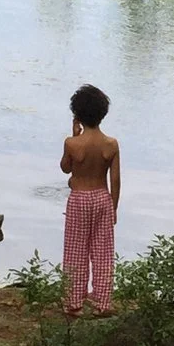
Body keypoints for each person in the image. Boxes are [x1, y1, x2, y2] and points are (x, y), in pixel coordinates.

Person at [59, 83, 121, 318]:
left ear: (77, 116)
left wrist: (74, 136)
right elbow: (115, 179)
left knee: (76, 250)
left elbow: (66, 168)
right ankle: (102, 302)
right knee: (103, 251)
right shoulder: (111, 144)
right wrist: (113, 207)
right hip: (102, 197)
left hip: (79, 199)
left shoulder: (72, 143)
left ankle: (74, 302)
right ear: (103, 114)